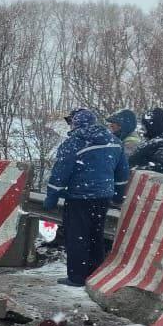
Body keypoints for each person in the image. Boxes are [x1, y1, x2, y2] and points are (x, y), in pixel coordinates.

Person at [44, 108, 128, 287]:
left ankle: (77, 278)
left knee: (77, 237)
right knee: (95, 235)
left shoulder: (74, 142)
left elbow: (60, 173)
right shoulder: (114, 142)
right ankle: (94, 275)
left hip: (79, 197)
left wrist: (52, 196)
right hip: (103, 196)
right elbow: (122, 173)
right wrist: (119, 195)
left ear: (76, 124)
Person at [128, 107, 163, 176]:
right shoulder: (158, 138)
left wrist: (132, 170)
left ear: (154, 125)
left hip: (146, 183)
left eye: (146, 126)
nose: (144, 129)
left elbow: (159, 168)